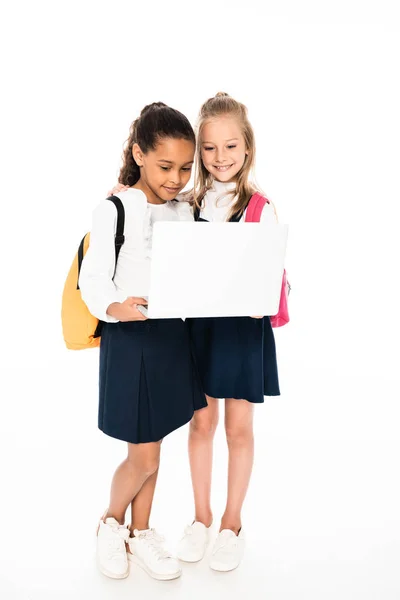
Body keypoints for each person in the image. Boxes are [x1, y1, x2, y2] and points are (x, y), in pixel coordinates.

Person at [79, 102, 207, 581]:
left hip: (173, 338)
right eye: (165, 166)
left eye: (185, 168)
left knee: (154, 446)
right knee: (144, 453)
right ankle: (111, 523)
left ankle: (141, 530)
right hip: (132, 340)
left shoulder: (184, 212)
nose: (176, 178)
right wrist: (117, 308)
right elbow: (93, 281)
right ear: (139, 154)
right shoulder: (113, 208)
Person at [176, 92, 280, 572]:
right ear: (199, 151)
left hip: (241, 331)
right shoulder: (187, 204)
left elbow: (272, 275)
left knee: (239, 429)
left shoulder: (261, 208)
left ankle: (231, 524)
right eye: (210, 148)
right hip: (198, 329)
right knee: (201, 423)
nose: (221, 158)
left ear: (247, 147)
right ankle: (201, 517)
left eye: (231, 147)